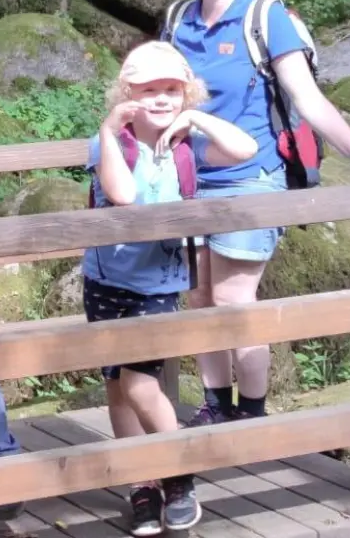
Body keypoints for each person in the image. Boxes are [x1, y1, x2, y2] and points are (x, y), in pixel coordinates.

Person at [169, 0, 350, 426]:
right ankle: (215, 406)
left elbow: (308, 100)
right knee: (198, 298)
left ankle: (253, 413)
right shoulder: (178, 19)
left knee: (234, 298)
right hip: (189, 179)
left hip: (251, 177)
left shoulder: (264, 17)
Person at [89, 41, 258, 534]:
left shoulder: (187, 144)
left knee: (140, 382)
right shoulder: (111, 142)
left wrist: (197, 119)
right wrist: (108, 127)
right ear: (127, 93)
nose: (161, 100)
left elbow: (245, 149)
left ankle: (178, 475)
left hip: (157, 281)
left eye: (171, 91)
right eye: (149, 91)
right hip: (105, 277)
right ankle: (140, 485)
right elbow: (121, 195)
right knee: (117, 388)